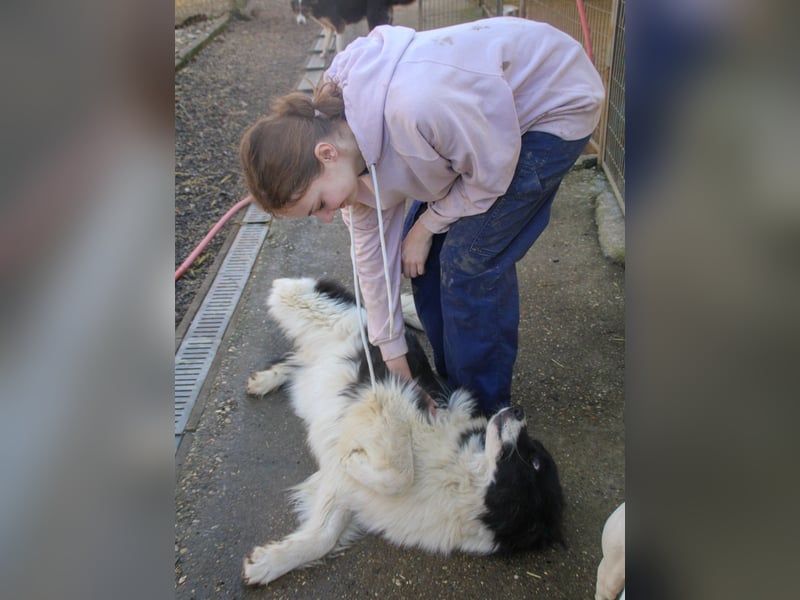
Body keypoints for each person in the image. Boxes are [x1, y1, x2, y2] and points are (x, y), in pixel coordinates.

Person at [240, 17, 605, 416]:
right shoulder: (341, 139)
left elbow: (490, 176)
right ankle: (454, 384)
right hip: (479, 129)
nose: (328, 217)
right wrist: (395, 358)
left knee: (469, 263)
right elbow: (372, 256)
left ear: (326, 155)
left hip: (550, 106)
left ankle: (484, 414)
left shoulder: (417, 107)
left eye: (319, 205)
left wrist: (426, 226)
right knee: (426, 262)